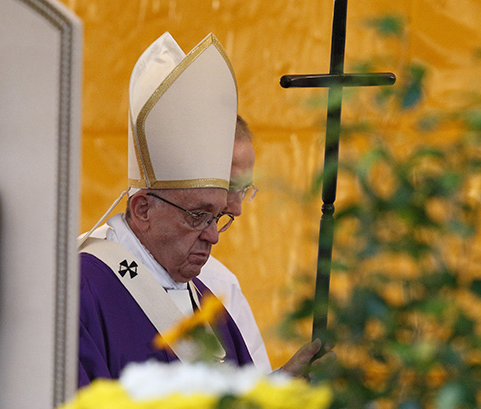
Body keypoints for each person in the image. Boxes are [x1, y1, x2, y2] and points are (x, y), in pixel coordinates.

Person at [78, 32, 328, 388]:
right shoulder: (82, 289)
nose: (212, 236)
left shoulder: (207, 295)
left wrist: (282, 387)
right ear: (143, 208)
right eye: (197, 216)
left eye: (217, 218)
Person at [198, 115, 271, 371]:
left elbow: (256, 387)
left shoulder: (219, 282)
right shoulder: (91, 268)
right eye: (229, 186)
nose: (237, 208)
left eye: (244, 188)